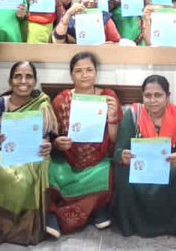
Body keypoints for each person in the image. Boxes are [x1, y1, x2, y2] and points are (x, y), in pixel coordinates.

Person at [0, 61, 57, 244]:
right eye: (18, 76)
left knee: (23, 179)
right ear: (10, 81)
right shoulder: (1, 103)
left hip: (33, 155)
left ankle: (19, 230)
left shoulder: (42, 104)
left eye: (28, 76)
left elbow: (47, 137)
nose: (23, 81)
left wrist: (48, 146)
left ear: (35, 81)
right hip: (2, 151)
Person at [112, 75, 176, 241]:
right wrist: (123, 155)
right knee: (121, 172)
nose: (152, 100)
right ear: (142, 97)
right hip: (141, 168)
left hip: (169, 167)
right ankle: (132, 224)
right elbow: (118, 150)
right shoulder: (133, 115)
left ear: (168, 97)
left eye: (158, 95)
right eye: (147, 96)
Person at [48, 52, 122, 234]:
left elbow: (115, 140)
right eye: (78, 71)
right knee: (49, 171)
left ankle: (97, 209)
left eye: (89, 70)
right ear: (71, 74)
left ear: (96, 73)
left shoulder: (108, 97)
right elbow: (52, 135)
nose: (84, 74)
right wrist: (58, 143)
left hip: (99, 159)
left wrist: (112, 118)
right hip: (68, 158)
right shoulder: (61, 100)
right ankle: (56, 215)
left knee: (107, 173)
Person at [53, 0, 121, 44]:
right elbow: (57, 41)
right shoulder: (69, 18)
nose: (92, 1)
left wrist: (110, 44)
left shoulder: (104, 17)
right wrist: (68, 14)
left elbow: (116, 42)